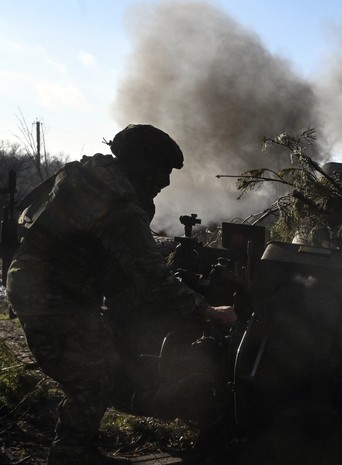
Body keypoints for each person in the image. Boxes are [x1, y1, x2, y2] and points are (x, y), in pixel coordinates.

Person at [5, 124, 237, 465]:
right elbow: (151, 276)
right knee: (94, 369)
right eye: (162, 170)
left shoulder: (91, 176)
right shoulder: (116, 203)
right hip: (50, 294)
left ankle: (77, 447)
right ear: (141, 163)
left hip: (45, 284)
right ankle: (72, 454)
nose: (166, 181)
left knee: (101, 357)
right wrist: (208, 310)